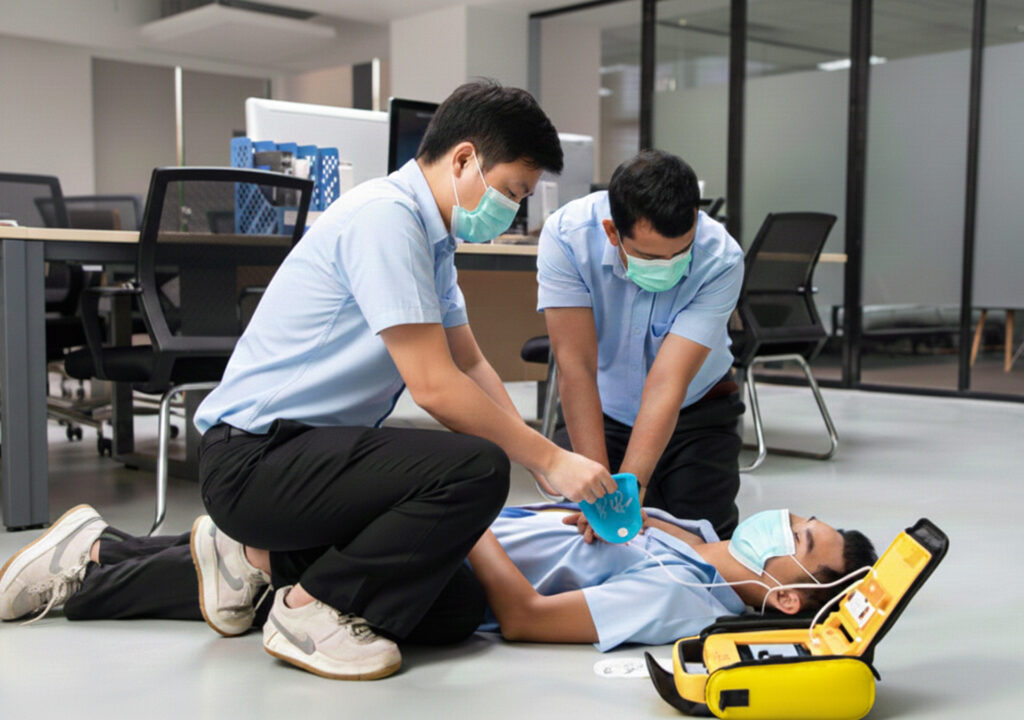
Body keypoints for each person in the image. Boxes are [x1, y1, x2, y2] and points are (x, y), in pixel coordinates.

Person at [190, 80, 616, 680]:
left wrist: (548, 467)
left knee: (457, 608)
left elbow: (470, 364)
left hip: (307, 459)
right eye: (513, 191)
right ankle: (307, 611)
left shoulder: (431, 238)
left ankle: (250, 555)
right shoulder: (385, 218)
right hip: (254, 458)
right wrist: (548, 460)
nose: (514, 210)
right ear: (464, 159)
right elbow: (436, 387)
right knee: (474, 468)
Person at [0, 503, 876, 653]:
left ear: (790, 591)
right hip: (462, 536)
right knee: (299, 552)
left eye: (798, 534)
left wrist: (470, 517)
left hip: (461, 571)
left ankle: (95, 565)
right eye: (800, 516)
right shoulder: (696, 535)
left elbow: (529, 619)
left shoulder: (683, 596)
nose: (785, 521)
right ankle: (100, 557)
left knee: (294, 574)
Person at [537, 149, 746, 538]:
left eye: (679, 254)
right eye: (650, 257)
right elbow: (575, 365)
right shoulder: (567, 236)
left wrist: (628, 492)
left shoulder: (721, 258)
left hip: (696, 409)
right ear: (612, 232)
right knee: (573, 531)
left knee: (700, 538)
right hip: (604, 407)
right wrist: (599, 494)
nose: (668, 266)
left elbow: (669, 380)